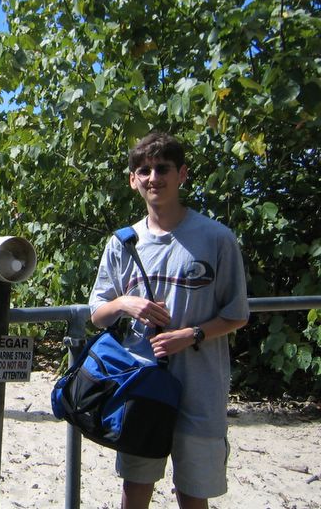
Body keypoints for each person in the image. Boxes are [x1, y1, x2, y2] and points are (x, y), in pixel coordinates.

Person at [89, 132, 249, 509]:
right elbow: (97, 314)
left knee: (193, 493)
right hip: (140, 386)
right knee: (136, 487)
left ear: (182, 175)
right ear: (133, 180)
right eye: (144, 171)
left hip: (201, 388)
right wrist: (126, 303)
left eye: (163, 169)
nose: (154, 178)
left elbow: (236, 314)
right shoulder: (122, 243)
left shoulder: (216, 238)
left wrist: (191, 335)